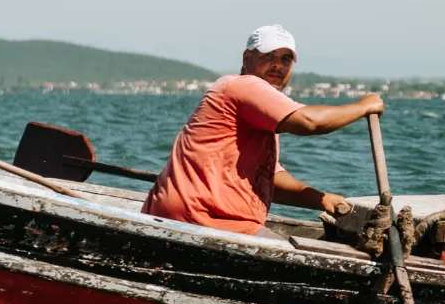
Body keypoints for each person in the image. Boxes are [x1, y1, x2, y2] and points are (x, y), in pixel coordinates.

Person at [142, 25, 382, 237]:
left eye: (286, 59)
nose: (278, 65)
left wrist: (320, 199)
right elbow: (309, 122)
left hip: (197, 217)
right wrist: (363, 107)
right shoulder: (243, 86)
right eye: (269, 56)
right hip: (203, 220)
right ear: (247, 58)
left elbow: (271, 180)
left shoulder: (260, 108)